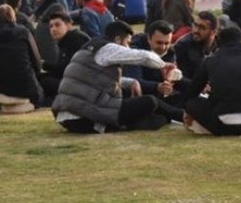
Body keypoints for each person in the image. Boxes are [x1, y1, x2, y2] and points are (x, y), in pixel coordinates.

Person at [51, 21, 184, 133]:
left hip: (67, 116)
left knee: (155, 117)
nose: (128, 47)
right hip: (85, 117)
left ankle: (143, 120)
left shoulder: (88, 49)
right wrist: (163, 64)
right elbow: (144, 57)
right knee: (150, 101)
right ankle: (182, 116)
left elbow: (95, 80)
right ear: (118, 40)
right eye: (127, 42)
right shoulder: (108, 48)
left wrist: (130, 82)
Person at [183, 26, 241, 136]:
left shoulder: (211, 60)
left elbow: (192, 92)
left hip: (225, 124)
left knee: (191, 103)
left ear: (217, 41)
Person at [0, 5, 45, 112]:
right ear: (13, 17)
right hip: (28, 87)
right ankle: (30, 104)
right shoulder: (23, 32)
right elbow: (36, 61)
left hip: (3, 89)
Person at [124, 20, 190, 107]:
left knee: (191, 97)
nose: (163, 47)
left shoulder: (170, 53)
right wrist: (157, 86)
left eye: (167, 43)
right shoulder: (134, 52)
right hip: (138, 99)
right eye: (159, 43)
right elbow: (134, 80)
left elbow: (175, 80)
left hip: (159, 98)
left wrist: (198, 85)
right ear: (149, 39)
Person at [39, 11, 90, 100]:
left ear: (68, 25)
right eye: (51, 26)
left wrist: (43, 65)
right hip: (78, 82)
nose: (53, 29)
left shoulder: (75, 39)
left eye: (57, 25)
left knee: (43, 80)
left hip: (83, 86)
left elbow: (65, 69)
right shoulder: (67, 40)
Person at [174, 10, 218, 80]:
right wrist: (199, 86)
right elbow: (181, 78)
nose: (196, 30)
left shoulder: (222, 45)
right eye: (195, 25)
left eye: (202, 27)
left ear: (213, 32)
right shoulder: (182, 46)